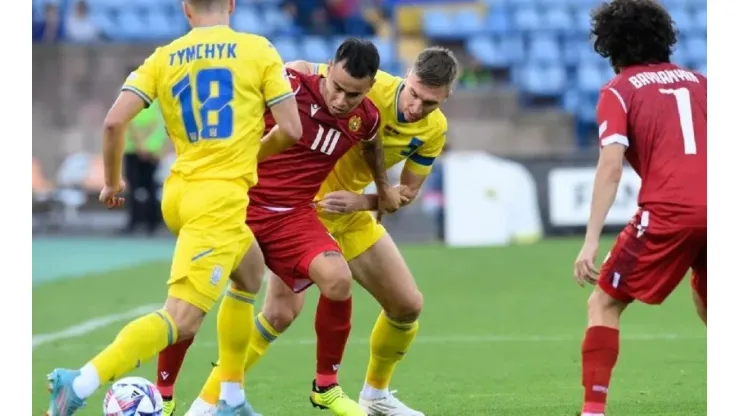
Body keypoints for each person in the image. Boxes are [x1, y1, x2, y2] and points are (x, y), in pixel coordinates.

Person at [45, 0, 302, 414]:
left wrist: (112, 181)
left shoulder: (163, 57)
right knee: (181, 318)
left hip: (180, 192)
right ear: (232, 4)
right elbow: (291, 129)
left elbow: (114, 122)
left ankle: (230, 399)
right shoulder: (259, 50)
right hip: (217, 200)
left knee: (250, 274)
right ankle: (80, 382)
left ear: (186, 8)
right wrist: (250, 153)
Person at [184, 46, 459, 416]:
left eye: (430, 103)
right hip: (301, 206)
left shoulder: (434, 130)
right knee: (280, 314)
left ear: (446, 97)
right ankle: (207, 403)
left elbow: (404, 193)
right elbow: (302, 73)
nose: (416, 108)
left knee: (407, 305)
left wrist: (361, 202)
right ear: (406, 77)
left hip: (350, 213)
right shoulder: (366, 84)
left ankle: (375, 396)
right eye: (414, 94)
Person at [572, 1, 707, 415]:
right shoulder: (705, 83)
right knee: (711, 303)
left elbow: (610, 167)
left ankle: (593, 411)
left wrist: (590, 241)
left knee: (604, 301)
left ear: (610, 46)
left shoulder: (620, 90)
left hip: (671, 211)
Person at [122, 86, 167, 235]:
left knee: (151, 188)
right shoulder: (126, 99)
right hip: (132, 151)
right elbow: (126, 124)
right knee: (133, 187)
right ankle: (133, 222)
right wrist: (140, 146)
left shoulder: (156, 103)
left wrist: (148, 148)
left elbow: (159, 127)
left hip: (150, 153)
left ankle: (152, 223)